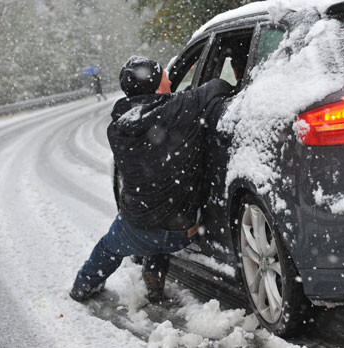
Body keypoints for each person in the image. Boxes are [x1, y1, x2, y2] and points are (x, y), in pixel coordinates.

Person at [70, 56, 232, 303]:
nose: (169, 80)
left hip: (136, 229)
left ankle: (82, 288)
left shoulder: (116, 128)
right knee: (167, 205)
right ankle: (154, 279)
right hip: (184, 230)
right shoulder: (183, 106)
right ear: (157, 85)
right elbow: (218, 86)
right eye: (165, 77)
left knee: (108, 247)